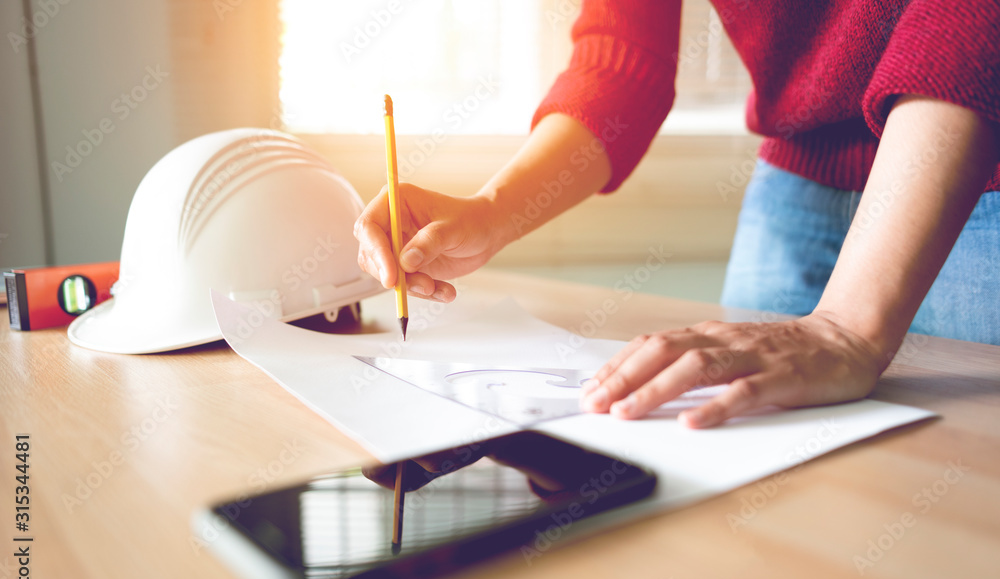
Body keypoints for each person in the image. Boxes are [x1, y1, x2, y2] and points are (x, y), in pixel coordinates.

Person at [354, 0, 1000, 428]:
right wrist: (492, 210)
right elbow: (621, 54)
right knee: (748, 450)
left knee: (958, 486)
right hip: (797, 172)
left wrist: (849, 329)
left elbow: (968, 25)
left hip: (974, 163)